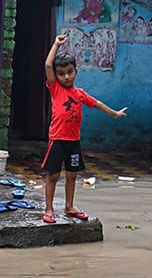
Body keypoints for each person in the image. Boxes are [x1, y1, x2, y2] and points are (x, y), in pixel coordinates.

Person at [42, 34, 128, 223]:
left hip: (74, 142)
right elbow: (48, 65)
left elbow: (97, 103)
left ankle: (69, 206)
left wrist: (114, 113)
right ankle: (48, 209)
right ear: (56, 76)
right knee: (53, 175)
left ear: (76, 71)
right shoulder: (55, 88)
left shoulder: (79, 93)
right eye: (61, 73)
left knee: (72, 175)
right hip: (57, 140)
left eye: (70, 72)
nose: (66, 77)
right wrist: (56, 44)